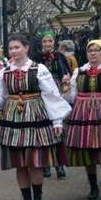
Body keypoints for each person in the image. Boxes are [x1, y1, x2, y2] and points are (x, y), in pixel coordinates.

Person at [0, 34, 71, 200]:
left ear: (26, 48)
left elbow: (51, 95)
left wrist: (56, 121)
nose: (13, 51)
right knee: (20, 164)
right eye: (11, 48)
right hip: (13, 117)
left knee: (36, 162)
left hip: (36, 115)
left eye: (17, 47)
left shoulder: (39, 69)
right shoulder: (5, 72)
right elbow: (2, 95)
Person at [61, 40, 101, 200]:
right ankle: (93, 186)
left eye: (97, 50)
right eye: (90, 50)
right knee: (87, 148)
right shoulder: (79, 71)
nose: (93, 53)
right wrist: (67, 86)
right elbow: (72, 97)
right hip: (84, 113)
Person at [31, 30, 71, 179]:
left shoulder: (60, 56)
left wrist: (66, 81)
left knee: (58, 128)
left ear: (54, 42)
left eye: (50, 41)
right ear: (41, 43)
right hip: (41, 94)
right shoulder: (35, 57)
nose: (47, 44)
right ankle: (46, 165)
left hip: (57, 91)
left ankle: (59, 165)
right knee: (44, 128)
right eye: (45, 41)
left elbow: (66, 73)